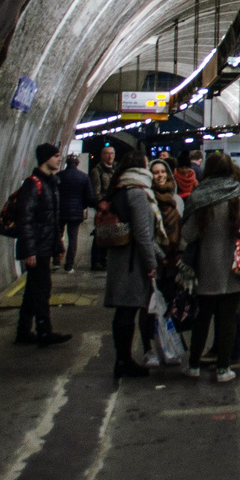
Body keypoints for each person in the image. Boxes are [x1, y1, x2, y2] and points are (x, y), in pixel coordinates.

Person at [182, 154, 240, 383]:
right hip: (233, 265)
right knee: (228, 319)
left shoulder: (199, 194)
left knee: (202, 318)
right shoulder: (239, 193)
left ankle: (193, 365)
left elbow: (189, 234)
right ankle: (223, 369)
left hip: (205, 267)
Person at [103, 149, 161, 378]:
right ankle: (124, 361)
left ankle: (122, 359)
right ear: (141, 167)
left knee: (123, 312)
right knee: (127, 313)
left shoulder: (120, 189)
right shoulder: (137, 194)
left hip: (120, 260)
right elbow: (143, 234)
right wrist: (152, 263)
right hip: (132, 263)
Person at [16, 144, 73, 346]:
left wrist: (58, 246)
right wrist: (29, 250)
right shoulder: (34, 184)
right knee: (41, 288)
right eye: (56, 156)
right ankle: (44, 331)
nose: (59, 159)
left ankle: (23, 332)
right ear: (45, 158)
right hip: (37, 248)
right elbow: (26, 219)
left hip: (45, 245)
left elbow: (53, 220)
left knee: (33, 289)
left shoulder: (51, 183)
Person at [147, 158, 186, 366]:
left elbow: (183, 227)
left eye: (163, 171)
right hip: (155, 259)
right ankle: (150, 349)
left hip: (174, 260)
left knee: (171, 304)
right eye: (155, 172)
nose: (160, 175)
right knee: (150, 307)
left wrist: (179, 253)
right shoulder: (148, 199)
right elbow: (147, 234)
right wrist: (159, 257)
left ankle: (171, 346)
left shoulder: (177, 200)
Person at [57, 153, 92, 272]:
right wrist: (82, 206)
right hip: (76, 212)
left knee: (58, 236)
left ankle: (56, 260)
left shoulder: (59, 176)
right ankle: (69, 265)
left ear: (66, 163)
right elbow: (88, 196)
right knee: (73, 239)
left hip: (60, 211)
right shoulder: (83, 177)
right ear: (77, 163)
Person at [89, 144, 116, 271]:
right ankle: (97, 260)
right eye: (107, 153)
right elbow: (96, 191)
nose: (109, 156)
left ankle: (105, 258)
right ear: (102, 155)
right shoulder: (97, 171)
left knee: (110, 233)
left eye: (111, 153)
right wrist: (101, 202)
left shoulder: (116, 169)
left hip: (113, 206)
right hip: (103, 207)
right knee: (100, 233)